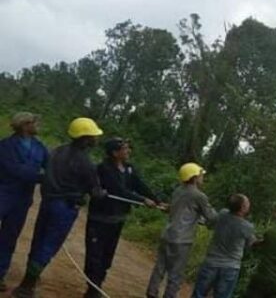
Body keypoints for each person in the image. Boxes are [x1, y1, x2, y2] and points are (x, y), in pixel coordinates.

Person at [13, 117, 106, 298]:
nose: (96, 139)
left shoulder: (57, 151)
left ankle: (29, 279)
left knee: (39, 240)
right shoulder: (86, 163)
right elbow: (95, 191)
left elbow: (46, 174)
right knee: (48, 245)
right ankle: (26, 287)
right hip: (65, 209)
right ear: (85, 138)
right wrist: (101, 193)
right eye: (93, 136)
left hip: (48, 203)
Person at [83, 137, 163, 298]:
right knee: (94, 254)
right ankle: (92, 287)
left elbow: (140, 185)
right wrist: (142, 200)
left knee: (107, 255)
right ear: (114, 153)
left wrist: (157, 200)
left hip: (118, 218)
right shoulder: (104, 169)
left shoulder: (129, 168)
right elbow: (119, 190)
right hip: (100, 218)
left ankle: (98, 284)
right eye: (125, 149)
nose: (129, 151)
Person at [147, 163, 217, 298]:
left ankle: (152, 292)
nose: (203, 178)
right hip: (182, 239)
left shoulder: (178, 190)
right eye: (201, 175)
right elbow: (211, 216)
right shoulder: (199, 196)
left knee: (160, 267)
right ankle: (170, 295)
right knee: (176, 273)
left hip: (167, 234)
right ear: (194, 177)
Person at [0, 112, 49, 292]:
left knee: (9, 237)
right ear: (25, 124)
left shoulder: (40, 147)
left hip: (22, 199)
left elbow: (50, 167)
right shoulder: (6, 145)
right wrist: (42, 178)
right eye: (36, 122)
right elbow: (14, 170)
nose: (39, 125)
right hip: (3, 193)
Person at [191, 194, 256, 298]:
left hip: (211, 262)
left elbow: (210, 223)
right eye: (247, 203)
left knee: (199, 294)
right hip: (230, 267)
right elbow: (251, 244)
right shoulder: (247, 227)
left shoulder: (222, 214)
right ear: (242, 208)